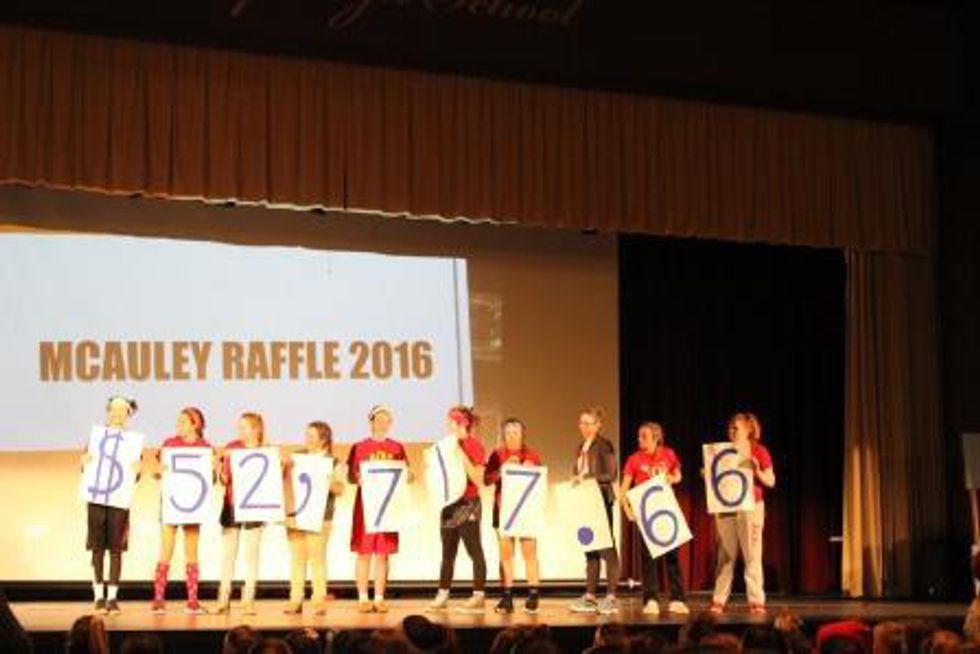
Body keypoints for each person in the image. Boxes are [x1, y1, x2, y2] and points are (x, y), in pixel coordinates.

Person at [619, 422, 690, 616]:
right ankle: (651, 599)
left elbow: (678, 475)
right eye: (639, 436)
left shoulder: (668, 454)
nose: (639, 439)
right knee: (648, 558)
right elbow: (623, 489)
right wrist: (627, 510)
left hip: (666, 510)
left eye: (644, 436)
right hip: (646, 513)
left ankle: (677, 599)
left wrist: (672, 478)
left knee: (672, 556)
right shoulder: (634, 459)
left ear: (656, 437)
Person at [347, 405, 412, 613]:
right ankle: (362, 597)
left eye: (386, 420)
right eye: (378, 419)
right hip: (366, 507)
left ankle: (379, 597)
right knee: (364, 553)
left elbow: (407, 472)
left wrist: (409, 475)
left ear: (390, 423)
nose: (382, 423)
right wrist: (357, 478)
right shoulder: (359, 447)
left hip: (389, 508)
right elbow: (351, 476)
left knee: (383, 554)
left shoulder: (397, 447)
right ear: (371, 422)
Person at [710, 412, 775, 615]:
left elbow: (771, 481)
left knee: (752, 555)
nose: (731, 431)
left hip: (750, 507)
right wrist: (709, 474)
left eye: (735, 428)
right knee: (726, 555)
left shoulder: (759, 450)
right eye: (730, 427)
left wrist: (757, 471)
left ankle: (756, 601)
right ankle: (719, 600)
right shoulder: (721, 452)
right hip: (726, 507)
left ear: (749, 430)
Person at [81, 396, 141, 615]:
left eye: (122, 410)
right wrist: (84, 462)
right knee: (97, 548)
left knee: (116, 549)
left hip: (119, 500)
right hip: (97, 499)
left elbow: (134, 476)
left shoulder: (133, 442)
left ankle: (112, 598)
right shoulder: (97, 438)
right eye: (114, 410)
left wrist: (138, 470)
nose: (117, 414)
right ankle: (98, 596)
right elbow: (86, 469)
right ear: (108, 412)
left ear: (128, 415)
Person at [151, 407, 213, 614]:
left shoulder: (205, 447)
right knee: (165, 550)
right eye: (177, 421)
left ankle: (192, 600)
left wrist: (213, 468)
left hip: (193, 505)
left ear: (195, 424)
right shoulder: (169, 444)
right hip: (171, 504)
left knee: (192, 553)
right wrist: (158, 471)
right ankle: (158, 599)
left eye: (183, 422)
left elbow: (210, 480)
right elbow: (157, 472)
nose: (178, 425)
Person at [428, 406, 488, 614]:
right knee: (447, 552)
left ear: (461, 423)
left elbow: (478, 479)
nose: (448, 425)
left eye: (451, 421)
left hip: (468, 503)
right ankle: (443, 594)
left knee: (474, 550)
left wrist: (460, 453)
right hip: (448, 504)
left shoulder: (474, 446)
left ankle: (478, 596)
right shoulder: (446, 445)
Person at [283, 421, 346, 616]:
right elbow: (284, 479)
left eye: (311, 436)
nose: (307, 439)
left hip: (320, 517)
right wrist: (284, 467)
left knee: (317, 560)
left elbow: (340, 489)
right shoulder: (297, 457)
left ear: (323, 439)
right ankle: (295, 599)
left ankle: (319, 600)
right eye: (307, 435)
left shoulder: (333, 462)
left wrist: (327, 480)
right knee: (297, 559)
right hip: (295, 514)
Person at [483, 417, 543, 614]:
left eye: (515, 432)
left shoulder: (532, 455)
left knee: (529, 553)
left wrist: (532, 470)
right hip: (503, 510)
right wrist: (503, 469)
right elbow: (487, 480)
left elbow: (540, 482)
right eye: (508, 433)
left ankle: (533, 595)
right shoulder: (497, 454)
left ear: (522, 434)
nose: (511, 436)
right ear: (503, 435)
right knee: (506, 555)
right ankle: (507, 596)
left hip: (526, 510)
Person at [215, 412, 270, 615]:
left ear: (256, 429)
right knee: (228, 554)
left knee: (252, 555)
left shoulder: (265, 451)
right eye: (239, 427)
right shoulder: (232, 447)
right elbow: (224, 480)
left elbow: (271, 481)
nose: (240, 431)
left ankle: (248, 601)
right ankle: (223, 599)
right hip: (231, 505)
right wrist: (219, 467)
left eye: (244, 427)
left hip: (255, 508)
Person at [568, 406, 621, 615]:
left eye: (589, 423)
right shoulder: (582, 446)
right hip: (585, 501)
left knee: (606, 547)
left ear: (598, 425)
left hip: (600, 500)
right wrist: (576, 479)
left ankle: (611, 596)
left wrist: (587, 478)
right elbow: (580, 471)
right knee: (589, 546)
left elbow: (611, 474)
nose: (585, 427)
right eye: (582, 423)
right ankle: (590, 595)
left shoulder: (604, 445)